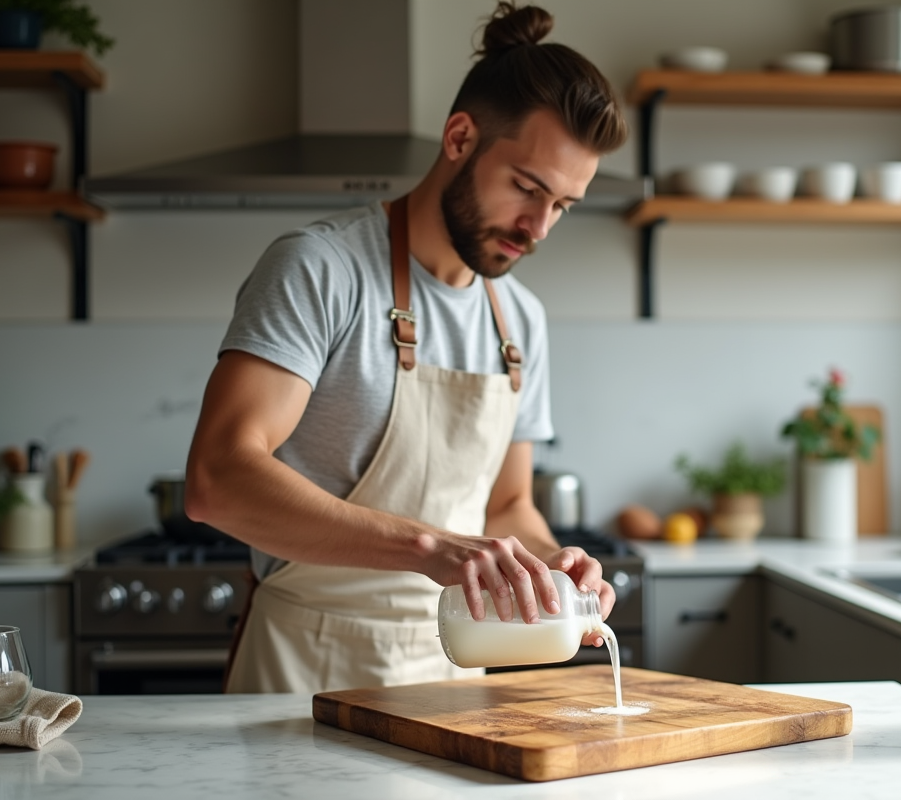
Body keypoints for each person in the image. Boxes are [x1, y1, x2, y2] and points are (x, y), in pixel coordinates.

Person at [184, 1, 629, 694]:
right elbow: (218, 480)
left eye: (562, 206)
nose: (539, 227)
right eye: (526, 188)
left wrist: (550, 565)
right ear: (459, 138)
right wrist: (429, 547)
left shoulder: (521, 319)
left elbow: (508, 504)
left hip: (454, 673)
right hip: (302, 671)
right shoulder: (320, 268)